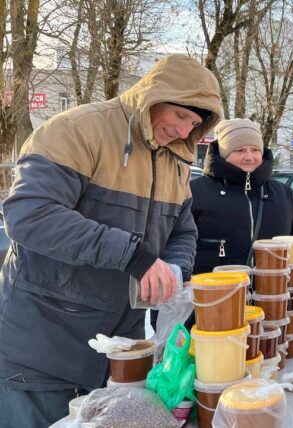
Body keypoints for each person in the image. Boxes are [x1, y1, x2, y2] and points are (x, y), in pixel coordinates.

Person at [0, 54, 223, 426]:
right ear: (155, 96)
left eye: (195, 123)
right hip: (42, 351)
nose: (186, 132)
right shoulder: (77, 130)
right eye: (181, 116)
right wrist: (133, 255)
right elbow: (29, 214)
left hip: (121, 353)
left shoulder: (175, 160)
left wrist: (173, 268)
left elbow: (183, 231)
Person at [190, 118, 293, 277]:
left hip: (271, 298)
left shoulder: (284, 195)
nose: (249, 157)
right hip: (217, 297)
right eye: (240, 150)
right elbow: (177, 244)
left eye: (255, 150)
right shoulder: (195, 192)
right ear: (223, 154)